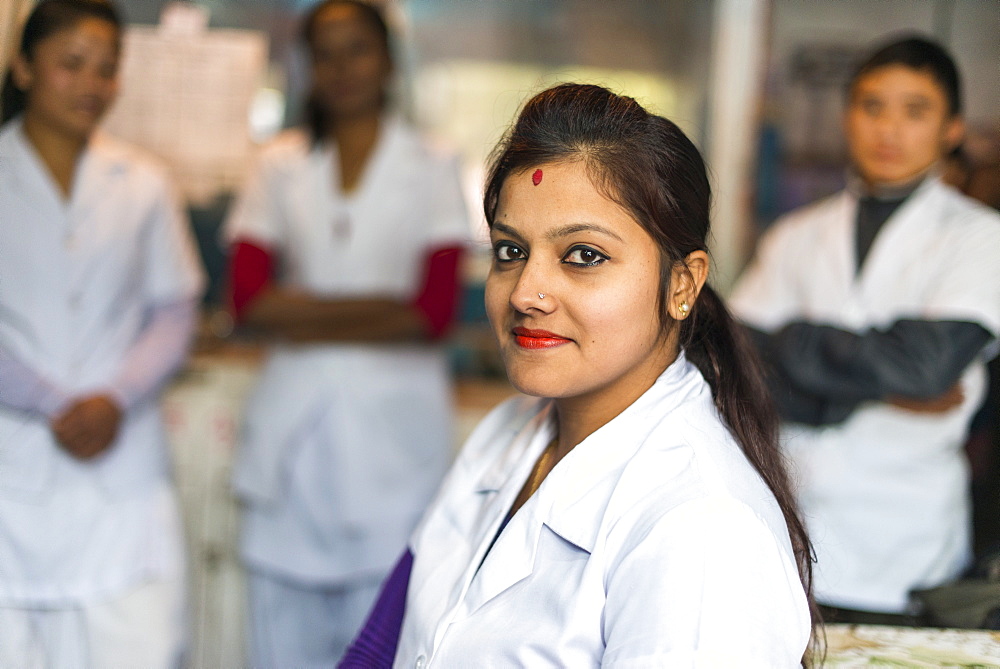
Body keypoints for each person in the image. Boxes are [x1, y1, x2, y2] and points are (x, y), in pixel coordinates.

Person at [341, 83, 817, 668]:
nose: (526, 293)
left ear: (682, 284)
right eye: (510, 252)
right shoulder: (510, 431)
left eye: (583, 256)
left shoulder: (703, 531)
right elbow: (383, 642)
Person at [222, 1, 469, 665]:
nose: (342, 67)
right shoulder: (277, 163)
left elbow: (433, 311)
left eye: (357, 48)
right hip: (290, 452)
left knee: (382, 643)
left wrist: (302, 309)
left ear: (388, 59)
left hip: (393, 452)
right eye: (325, 52)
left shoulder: (433, 162)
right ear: (306, 68)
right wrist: (378, 310)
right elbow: (246, 299)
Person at [730, 35, 1000, 623]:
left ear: (952, 128)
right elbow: (732, 363)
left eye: (915, 110)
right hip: (783, 536)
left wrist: (790, 349)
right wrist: (871, 385)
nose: (888, 129)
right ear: (848, 115)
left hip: (903, 547)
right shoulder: (795, 235)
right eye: (871, 106)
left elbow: (924, 367)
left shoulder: (980, 237)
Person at [0, 0, 205, 666]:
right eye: (71, 64)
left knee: (138, 644)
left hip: (120, 469)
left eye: (107, 70)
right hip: (14, 460)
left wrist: (112, 397)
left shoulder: (144, 182)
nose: (92, 84)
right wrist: (51, 400)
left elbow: (174, 310)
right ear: (24, 67)